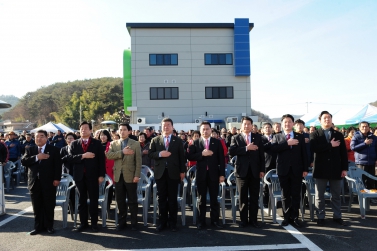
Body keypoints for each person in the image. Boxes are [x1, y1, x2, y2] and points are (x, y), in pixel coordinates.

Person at [310, 111, 348, 226]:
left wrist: (344, 168)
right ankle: (320, 217)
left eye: (329, 118)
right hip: (320, 169)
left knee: (336, 195)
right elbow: (314, 148)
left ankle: (337, 216)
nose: (327, 120)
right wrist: (330, 145)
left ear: (332, 120)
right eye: (324, 118)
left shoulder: (338, 134)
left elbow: (343, 153)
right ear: (320, 120)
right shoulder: (315, 134)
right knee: (319, 196)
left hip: (336, 169)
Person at [21, 130, 62, 235]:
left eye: (41, 136)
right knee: (37, 205)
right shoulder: (31, 150)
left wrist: (57, 179)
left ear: (47, 138)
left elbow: (58, 166)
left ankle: (49, 226)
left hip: (49, 182)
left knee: (49, 204)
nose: (39, 138)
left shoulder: (54, 150)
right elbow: (24, 161)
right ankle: (38, 227)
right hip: (34, 181)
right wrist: (36, 157)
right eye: (36, 136)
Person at [148, 118, 186, 232]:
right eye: (164, 125)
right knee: (162, 199)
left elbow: (182, 157)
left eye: (168, 125)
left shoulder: (178, 140)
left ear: (172, 127)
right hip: (160, 173)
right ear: (161, 127)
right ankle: (162, 222)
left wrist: (182, 171)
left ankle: (173, 222)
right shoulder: (155, 140)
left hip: (174, 173)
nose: (166, 127)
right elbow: (150, 154)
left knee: (173, 199)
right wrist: (160, 154)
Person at [68, 121, 106, 232]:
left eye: (86, 128)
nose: (83, 130)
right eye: (81, 128)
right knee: (81, 200)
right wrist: (83, 156)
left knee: (94, 200)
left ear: (90, 130)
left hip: (93, 176)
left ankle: (94, 223)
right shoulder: (74, 143)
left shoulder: (97, 143)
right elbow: (70, 158)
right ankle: (83, 223)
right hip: (79, 176)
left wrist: (101, 175)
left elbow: (101, 160)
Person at [187, 121, 225, 229]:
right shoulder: (196, 142)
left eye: (207, 129)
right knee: (201, 199)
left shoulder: (216, 142)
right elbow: (190, 156)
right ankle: (201, 221)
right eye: (203, 129)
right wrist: (202, 154)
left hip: (214, 174)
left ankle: (215, 221)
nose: (205, 131)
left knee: (214, 199)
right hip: (201, 175)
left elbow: (222, 160)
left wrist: (222, 174)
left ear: (211, 130)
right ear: (200, 130)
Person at [271, 115, 308, 227]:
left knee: (296, 194)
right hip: (283, 169)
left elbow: (304, 154)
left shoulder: (299, 137)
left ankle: (295, 217)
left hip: (297, 169)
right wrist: (287, 144)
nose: (287, 124)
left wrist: (305, 169)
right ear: (282, 124)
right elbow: (273, 149)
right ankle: (286, 217)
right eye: (285, 122)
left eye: (289, 122)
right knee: (285, 194)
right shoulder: (277, 136)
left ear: (293, 124)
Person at [229, 116, 265, 228]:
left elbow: (261, 156)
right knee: (242, 197)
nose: (246, 126)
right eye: (244, 124)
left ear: (252, 125)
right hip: (241, 172)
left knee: (254, 197)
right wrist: (246, 148)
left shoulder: (258, 137)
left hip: (255, 171)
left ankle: (254, 220)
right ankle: (243, 220)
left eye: (249, 124)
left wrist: (262, 170)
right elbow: (232, 151)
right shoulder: (236, 137)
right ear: (241, 125)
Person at [106, 123, 142, 231]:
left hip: (130, 175)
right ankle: (122, 222)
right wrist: (122, 152)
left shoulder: (135, 144)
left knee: (132, 200)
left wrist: (137, 175)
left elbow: (138, 161)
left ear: (129, 131)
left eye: (124, 129)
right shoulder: (113, 143)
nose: (122, 131)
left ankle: (134, 222)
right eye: (120, 129)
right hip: (118, 176)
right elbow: (108, 155)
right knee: (120, 200)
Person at [350, 121, 377, 190]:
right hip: (361, 163)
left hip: (371, 162)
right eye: (363, 126)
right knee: (361, 182)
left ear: (369, 127)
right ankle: (362, 198)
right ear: (359, 128)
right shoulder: (356, 137)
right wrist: (364, 144)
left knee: (371, 181)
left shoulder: (373, 137)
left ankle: (371, 198)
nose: (365, 128)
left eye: (366, 126)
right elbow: (353, 148)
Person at [261, 123, 277, 207]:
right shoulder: (260, 138)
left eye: (269, 127)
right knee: (266, 184)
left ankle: (275, 201)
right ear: (263, 130)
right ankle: (265, 201)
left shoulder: (276, 137)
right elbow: (261, 148)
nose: (267, 129)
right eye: (266, 128)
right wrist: (270, 143)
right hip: (266, 163)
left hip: (276, 163)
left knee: (275, 183)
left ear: (272, 129)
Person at [99, 129, 115, 209]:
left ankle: (108, 204)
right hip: (99, 168)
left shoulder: (111, 144)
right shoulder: (97, 144)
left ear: (107, 136)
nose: (103, 137)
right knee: (100, 187)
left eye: (104, 135)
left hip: (109, 168)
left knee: (108, 187)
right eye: (101, 135)